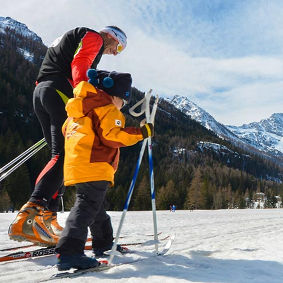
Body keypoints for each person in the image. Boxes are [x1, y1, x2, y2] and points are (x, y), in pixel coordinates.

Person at [8, 26, 127, 247]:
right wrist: (85, 97)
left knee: (58, 157)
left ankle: (47, 219)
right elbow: (80, 63)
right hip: (60, 91)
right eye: (118, 47)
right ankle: (30, 215)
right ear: (111, 36)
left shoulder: (74, 37)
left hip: (42, 92)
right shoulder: (94, 38)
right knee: (63, 156)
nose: (115, 53)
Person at [55, 69, 154, 270]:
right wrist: (141, 132)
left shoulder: (79, 109)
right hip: (95, 165)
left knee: (96, 209)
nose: (123, 106)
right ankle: (69, 253)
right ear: (115, 95)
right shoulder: (107, 109)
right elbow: (113, 136)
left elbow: (65, 130)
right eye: (123, 101)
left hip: (76, 165)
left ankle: (104, 244)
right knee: (86, 208)